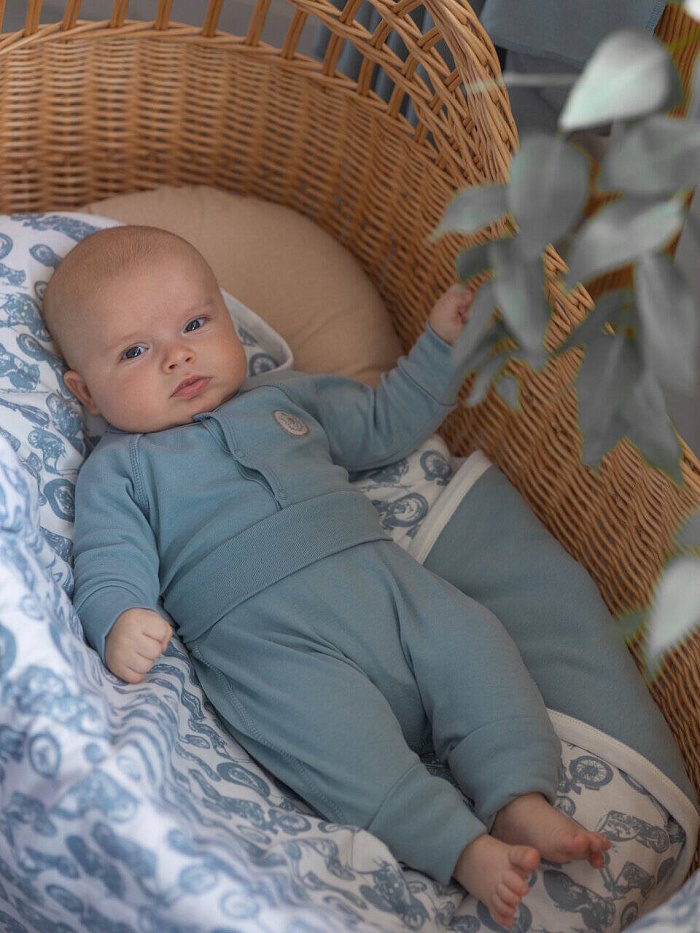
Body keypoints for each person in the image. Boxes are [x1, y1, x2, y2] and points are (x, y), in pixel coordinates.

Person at [43, 224, 611, 930]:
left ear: (228, 319)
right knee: (342, 750)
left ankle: (518, 795)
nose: (177, 355)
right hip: (270, 647)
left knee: (474, 642)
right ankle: (462, 848)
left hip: (385, 588)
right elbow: (107, 559)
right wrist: (121, 616)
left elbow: (381, 423)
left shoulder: (285, 399)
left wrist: (439, 347)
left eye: (194, 324)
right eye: (134, 351)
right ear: (87, 393)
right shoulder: (119, 471)